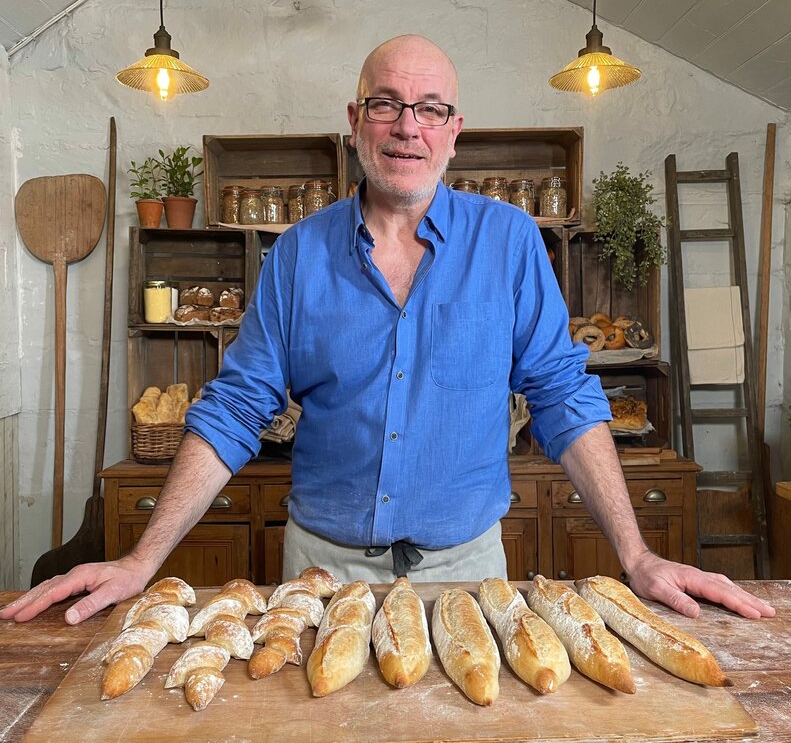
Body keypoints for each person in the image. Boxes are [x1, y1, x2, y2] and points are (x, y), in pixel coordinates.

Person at [1, 35, 773, 625]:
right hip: (320, 574)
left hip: (465, 572)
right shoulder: (300, 253)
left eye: (430, 107)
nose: (408, 126)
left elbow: (563, 396)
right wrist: (141, 560)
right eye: (386, 103)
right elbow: (237, 408)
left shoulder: (508, 242)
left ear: (454, 130)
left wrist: (635, 557)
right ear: (355, 121)